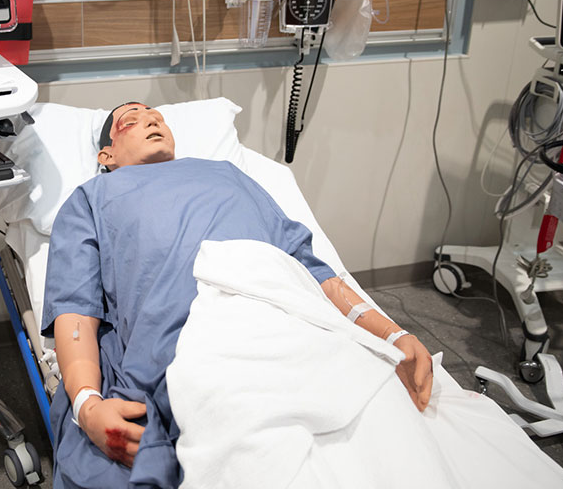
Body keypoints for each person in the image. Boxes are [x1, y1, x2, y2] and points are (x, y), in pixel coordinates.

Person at [41, 102, 433, 489]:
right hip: (190, 335)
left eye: (157, 117)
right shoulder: (92, 197)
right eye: (132, 121)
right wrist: (87, 407)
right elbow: (76, 308)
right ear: (106, 155)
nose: (151, 121)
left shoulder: (226, 173)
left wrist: (393, 334)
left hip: (287, 314)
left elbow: (313, 269)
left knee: (384, 432)